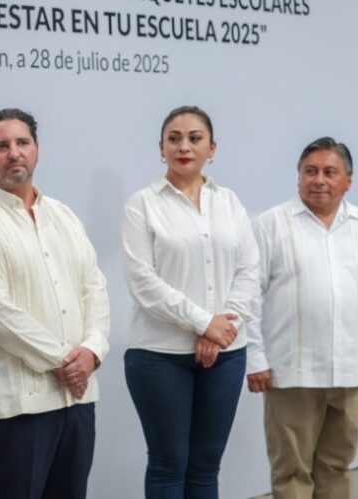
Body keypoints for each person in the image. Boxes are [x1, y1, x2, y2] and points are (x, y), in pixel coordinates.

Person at [0, 108, 110, 499]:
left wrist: (92, 350)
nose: (14, 153)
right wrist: (64, 362)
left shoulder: (64, 216)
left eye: (23, 143)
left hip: (77, 399)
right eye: (1, 146)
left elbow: (95, 288)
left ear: (37, 149)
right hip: (15, 407)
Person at [120, 105, 260, 498]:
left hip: (227, 353)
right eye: (174, 138)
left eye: (195, 138)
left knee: (205, 469)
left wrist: (219, 329)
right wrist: (204, 323)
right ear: (160, 148)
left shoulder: (229, 202)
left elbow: (249, 269)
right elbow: (143, 283)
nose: (184, 146)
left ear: (211, 148)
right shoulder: (141, 205)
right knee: (168, 466)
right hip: (159, 356)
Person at [246, 137, 358, 498]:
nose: (319, 180)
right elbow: (247, 296)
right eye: (310, 171)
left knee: (336, 467)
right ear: (298, 177)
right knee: (291, 471)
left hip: (351, 371)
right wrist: (256, 358)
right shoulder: (271, 225)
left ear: (348, 181)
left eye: (330, 172)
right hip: (291, 372)